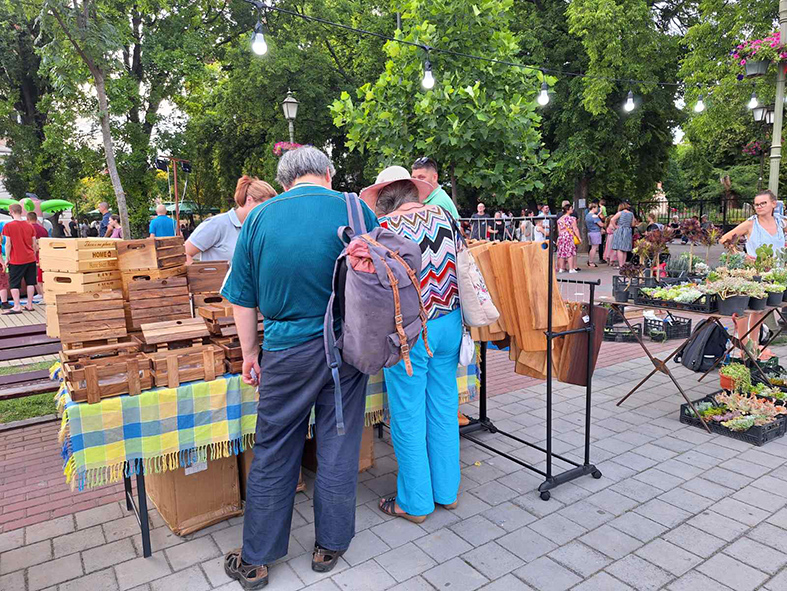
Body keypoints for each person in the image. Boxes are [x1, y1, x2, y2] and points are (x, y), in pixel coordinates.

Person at [220, 147, 379, 588]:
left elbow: (242, 298)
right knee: (339, 444)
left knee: (274, 449)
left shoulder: (259, 218)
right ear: (327, 172)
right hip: (347, 347)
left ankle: (257, 560)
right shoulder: (357, 210)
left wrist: (250, 353)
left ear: (284, 180)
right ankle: (331, 545)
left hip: (286, 351)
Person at [364, 166, 462, 523]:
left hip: (411, 332)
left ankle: (416, 502)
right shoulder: (445, 218)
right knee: (444, 407)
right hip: (451, 322)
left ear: (383, 200)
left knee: (408, 413)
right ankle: (447, 492)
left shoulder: (383, 230)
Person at [185, 176, 276, 264]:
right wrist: (199, 273)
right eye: (265, 207)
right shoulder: (217, 224)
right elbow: (184, 254)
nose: (268, 212)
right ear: (249, 200)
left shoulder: (258, 229)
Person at [721, 189, 785, 257]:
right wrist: (742, 255)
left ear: (773, 204)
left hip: (779, 263)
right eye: (756, 205)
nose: (759, 207)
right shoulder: (750, 224)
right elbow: (724, 239)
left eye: (763, 203)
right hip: (756, 263)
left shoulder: (780, 222)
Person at [2, 204, 37, 314]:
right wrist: (33, 254)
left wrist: (7, 258)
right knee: (30, 282)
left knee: (14, 283)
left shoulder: (8, 226)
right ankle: (29, 305)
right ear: (21, 211)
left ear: (11, 212)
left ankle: (17, 306)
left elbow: (8, 244)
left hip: (16, 259)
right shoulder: (30, 226)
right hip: (30, 258)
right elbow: (34, 244)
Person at [27, 212, 48, 301]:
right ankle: (41, 293)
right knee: (42, 275)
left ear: (28, 219)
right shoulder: (43, 229)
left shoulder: (29, 229)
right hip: (44, 253)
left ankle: (41, 294)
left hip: (34, 255)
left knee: (36, 276)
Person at [556, 204, 581, 273]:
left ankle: (561, 268)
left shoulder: (559, 220)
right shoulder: (572, 219)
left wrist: (558, 238)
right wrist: (579, 237)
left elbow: (559, 230)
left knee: (562, 252)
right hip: (569, 236)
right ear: (567, 210)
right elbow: (575, 229)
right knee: (570, 252)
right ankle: (571, 268)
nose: (572, 210)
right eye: (571, 208)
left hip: (561, 236)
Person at [610, 202, 636, 267]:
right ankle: (624, 264)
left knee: (619, 248)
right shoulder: (631, 214)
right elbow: (633, 224)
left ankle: (621, 264)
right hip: (628, 231)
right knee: (625, 249)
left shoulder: (620, 213)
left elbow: (612, 219)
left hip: (620, 230)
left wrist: (615, 226)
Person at [585, 203, 603, 267]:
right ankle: (591, 261)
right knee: (594, 248)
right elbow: (601, 224)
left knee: (592, 247)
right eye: (596, 207)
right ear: (593, 208)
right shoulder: (594, 216)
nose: (597, 209)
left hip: (590, 232)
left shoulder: (587, 215)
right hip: (595, 232)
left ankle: (590, 260)